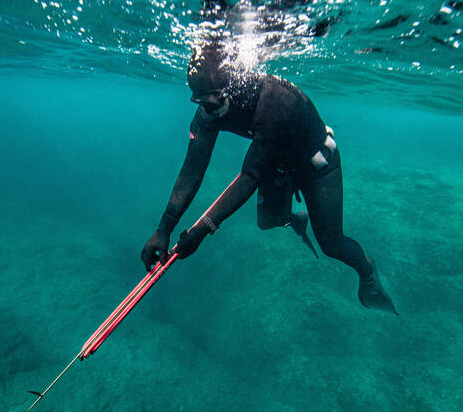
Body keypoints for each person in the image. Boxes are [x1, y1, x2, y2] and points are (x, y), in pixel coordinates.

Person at [140, 43, 397, 314]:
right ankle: (296, 217)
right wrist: (163, 230)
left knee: (331, 243)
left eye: (212, 99)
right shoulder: (209, 106)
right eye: (199, 101)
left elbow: (250, 176)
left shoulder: (276, 100)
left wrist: (202, 230)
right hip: (278, 162)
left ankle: (368, 272)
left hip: (317, 164)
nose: (207, 109)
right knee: (268, 222)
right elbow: (192, 169)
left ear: (233, 87)